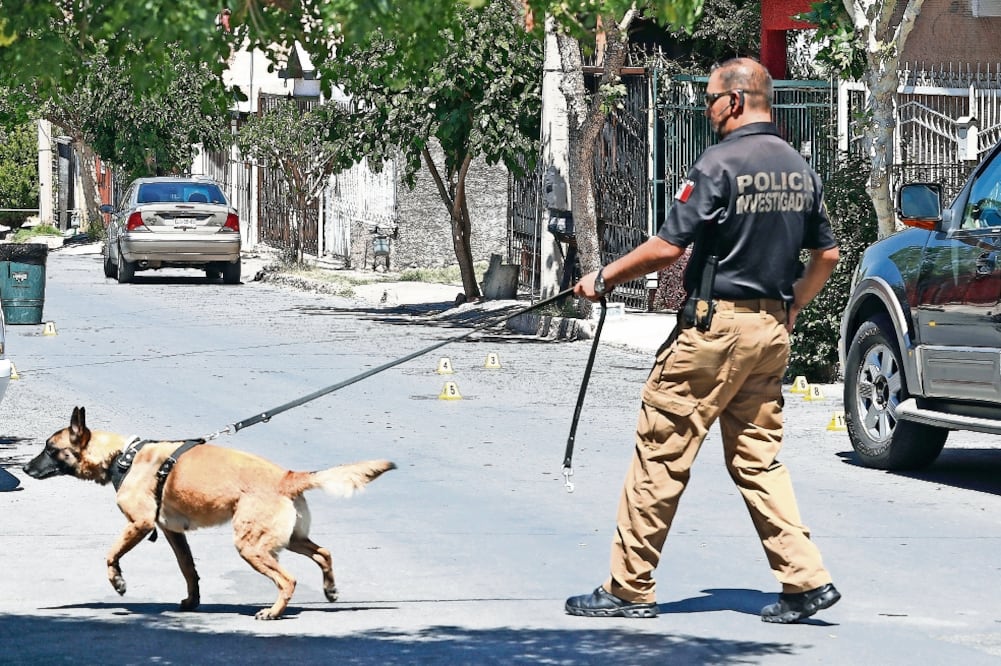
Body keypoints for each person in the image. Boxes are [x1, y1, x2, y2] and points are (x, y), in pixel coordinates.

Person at [565, 57, 841, 624]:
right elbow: (829, 256)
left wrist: (602, 277)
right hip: (769, 332)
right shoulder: (798, 167)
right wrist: (791, 309)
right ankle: (805, 579)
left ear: (736, 101)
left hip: (714, 333)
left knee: (660, 453)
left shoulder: (719, 163)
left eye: (711, 100)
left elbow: (668, 247)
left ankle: (628, 586)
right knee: (759, 460)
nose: (707, 110)